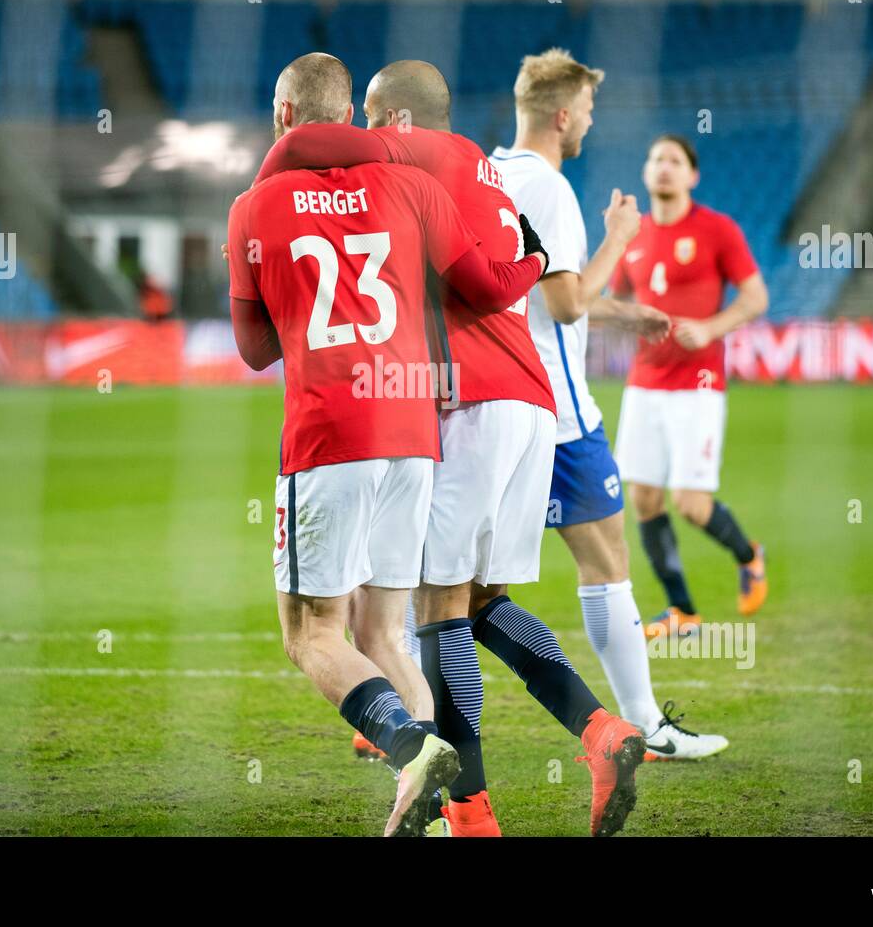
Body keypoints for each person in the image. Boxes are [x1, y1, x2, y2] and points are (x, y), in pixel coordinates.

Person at [255, 58, 651, 837]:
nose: (360, 134)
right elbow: (513, 269)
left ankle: (469, 813)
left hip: (468, 399)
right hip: (529, 399)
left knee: (438, 614)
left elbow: (322, 159)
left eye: (371, 117)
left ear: (398, 122)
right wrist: (532, 261)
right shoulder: (476, 161)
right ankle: (603, 733)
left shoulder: (406, 159)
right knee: (480, 603)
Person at [227, 52, 547, 836]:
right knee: (384, 634)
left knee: (312, 635)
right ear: (352, 113)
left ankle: (413, 748)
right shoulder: (414, 186)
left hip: (330, 430)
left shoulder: (254, 207)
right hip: (414, 432)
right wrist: (534, 257)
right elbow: (483, 282)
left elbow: (254, 348)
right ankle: (456, 819)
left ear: (283, 115)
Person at [491, 50, 729, 761]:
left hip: (487, 407)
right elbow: (564, 303)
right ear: (563, 115)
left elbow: (535, 295)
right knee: (607, 562)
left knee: (460, 586)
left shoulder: (488, 172)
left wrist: (626, 314)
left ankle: (391, 713)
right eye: (589, 112)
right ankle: (645, 726)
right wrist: (620, 237)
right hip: (559, 416)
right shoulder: (553, 190)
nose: (591, 123)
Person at [610, 134, 769, 638]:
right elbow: (614, 304)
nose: (664, 167)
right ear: (645, 172)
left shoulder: (717, 229)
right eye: (656, 158)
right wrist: (628, 318)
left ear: (692, 175)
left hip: (698, 383)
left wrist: (711, 329)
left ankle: (749, 554)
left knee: (691, 505)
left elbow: (755, 297)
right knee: (644, 502)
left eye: (675, 160)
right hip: (644, 383)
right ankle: (683, 611)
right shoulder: (631, 236)